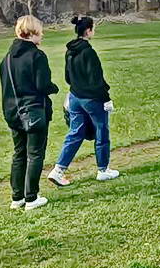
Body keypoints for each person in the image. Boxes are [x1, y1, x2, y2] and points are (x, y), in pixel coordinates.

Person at [48, 16, 119, 186]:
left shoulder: (69, 51)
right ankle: (103, 169)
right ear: (88, 31)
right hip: (91, 99)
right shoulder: (89, 52)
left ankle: (58, 170)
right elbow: (96, 79)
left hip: (75, 97)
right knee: (101, 131)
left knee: (75, 133)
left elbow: (68, 77)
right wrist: (106, 99)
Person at [0, 16, 59, 211]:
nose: (42, 35)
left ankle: (17, 197)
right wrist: (53, 88)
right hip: (33, 110)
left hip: (13, 112)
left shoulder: (6, 59)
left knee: (19, 154)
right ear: (32, 33)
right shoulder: (37, 56)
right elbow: (43, 84)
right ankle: (31, 197)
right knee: (35, 154)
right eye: (40, 32)